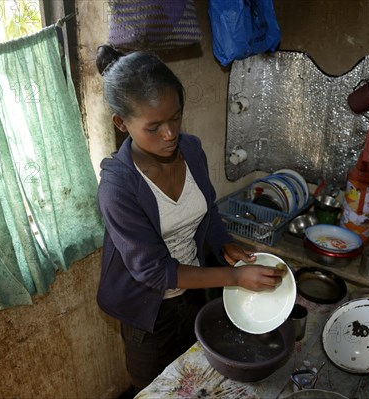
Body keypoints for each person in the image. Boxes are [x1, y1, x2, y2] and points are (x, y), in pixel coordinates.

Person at [95, 45, 285, 393]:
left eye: (176, 117)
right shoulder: (118, 188)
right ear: (122, 123)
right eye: (154, 127)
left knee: (196, 379)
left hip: (194, 291)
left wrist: (222, 241)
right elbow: (155, 272)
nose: (170, 134)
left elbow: (207, 210)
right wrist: (233, 276)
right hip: (148, 312)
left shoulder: (191, 150)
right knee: (159, 388)